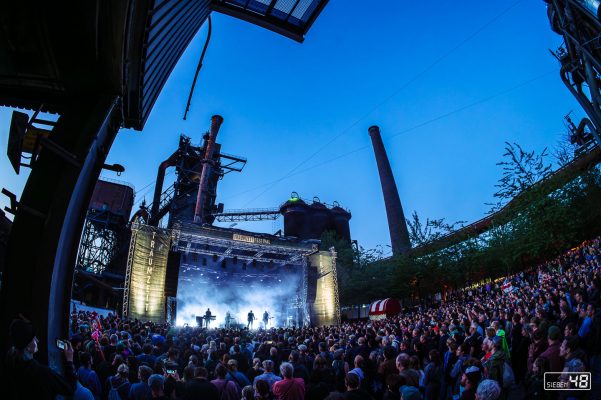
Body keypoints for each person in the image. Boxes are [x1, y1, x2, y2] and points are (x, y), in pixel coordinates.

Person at [4, 318, 77, 400]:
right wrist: (69, 361)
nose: (37, 341)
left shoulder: (10, 364)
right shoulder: (43, 373)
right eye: (34, 339)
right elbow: (70, 388)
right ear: (27, 347)